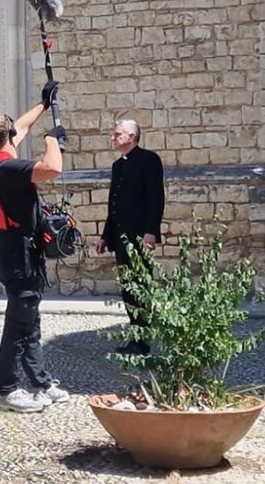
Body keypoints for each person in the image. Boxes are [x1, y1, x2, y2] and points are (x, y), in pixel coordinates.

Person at [0, 80, 70, 413]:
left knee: (30, 318)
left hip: (17, 248)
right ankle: (7, 390)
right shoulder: (8, 168)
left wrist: (44, 105)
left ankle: (41, 382)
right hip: (17, 252)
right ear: (7, 138)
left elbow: (20, 125)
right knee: (19, 321)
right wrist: (51, 139)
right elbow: (53, 169)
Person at [93, 118, 165, 356]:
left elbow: (156, 198)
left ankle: (143, 340)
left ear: (131, 137)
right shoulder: (117, 165)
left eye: (117, 134)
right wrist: (105, 236)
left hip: (140, 236)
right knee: (127, 288)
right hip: (121, 237)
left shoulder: (149, 161)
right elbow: (113, 205)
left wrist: (151, 231)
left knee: (141, 287)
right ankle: (135, 336)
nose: (113, 138)